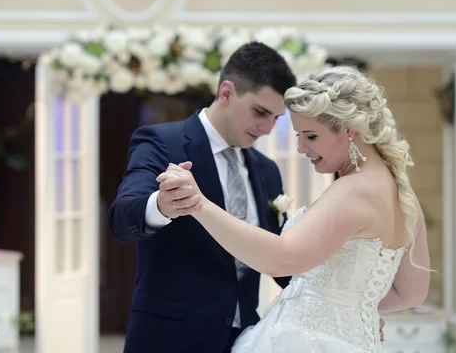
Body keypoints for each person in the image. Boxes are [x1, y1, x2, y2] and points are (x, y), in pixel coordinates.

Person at [157, 66, 432, 353]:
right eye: (298, 135)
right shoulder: (402, 194)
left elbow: (281, 260)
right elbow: (411, 293)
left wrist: (199, 204)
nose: (301, 148)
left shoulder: (354, 190)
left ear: (350, 131)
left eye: (311, 136)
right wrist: (346, 308)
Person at [107, 41, 297, 353]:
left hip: (246, 340)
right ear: (226, 93)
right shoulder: (160, 141)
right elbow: (121, 218)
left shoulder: (267, 170)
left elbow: (281, 260)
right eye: (260, 112)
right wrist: (161, 206)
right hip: (169, 339)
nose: (267, 128)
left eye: (277, 118)